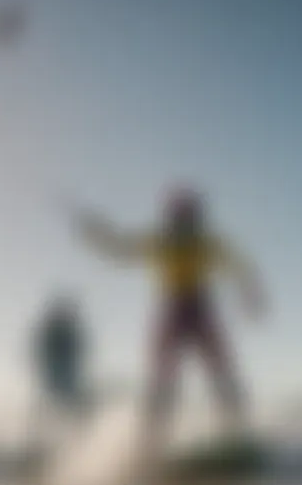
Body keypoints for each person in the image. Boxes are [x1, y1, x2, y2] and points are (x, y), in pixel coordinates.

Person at [73, 185, 267, 434]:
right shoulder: (161, 241)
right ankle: (152, 435)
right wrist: (94, 230)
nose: (186, 221)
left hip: (199, 307)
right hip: (173, 308)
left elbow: (240, 267)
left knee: (220, 367)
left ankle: (236, 428)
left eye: (190, 215)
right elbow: (120, 249)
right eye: (181, 215)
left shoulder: (205, 243)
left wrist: (251, 294)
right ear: (173, 216)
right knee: (164, 373)